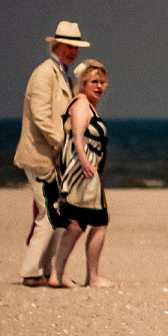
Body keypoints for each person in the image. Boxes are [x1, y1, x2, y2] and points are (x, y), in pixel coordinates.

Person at [13, 21, 90, 287]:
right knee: (48, 212)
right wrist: (62, 143)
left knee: (55, 212)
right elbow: (41, 115)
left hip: (53, 158)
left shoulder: (63, 75)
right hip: (39, 155)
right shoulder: (44, 73)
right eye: (68, 46)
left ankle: (44, 269)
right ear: (55, 45)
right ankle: (31, 269)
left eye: (75, 47)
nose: (72, 51)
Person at [47, 60, 114, 288]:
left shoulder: (88, 104)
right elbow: (76, 137)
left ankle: (64, 274)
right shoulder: (81, 104)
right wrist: (86, 163)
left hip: (86, 172)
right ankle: (87, 276)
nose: (99, 86)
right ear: (84, 83)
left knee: (81, 223)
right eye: (94, 82)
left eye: (102, 82)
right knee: (90, 222)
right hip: (81, 173)